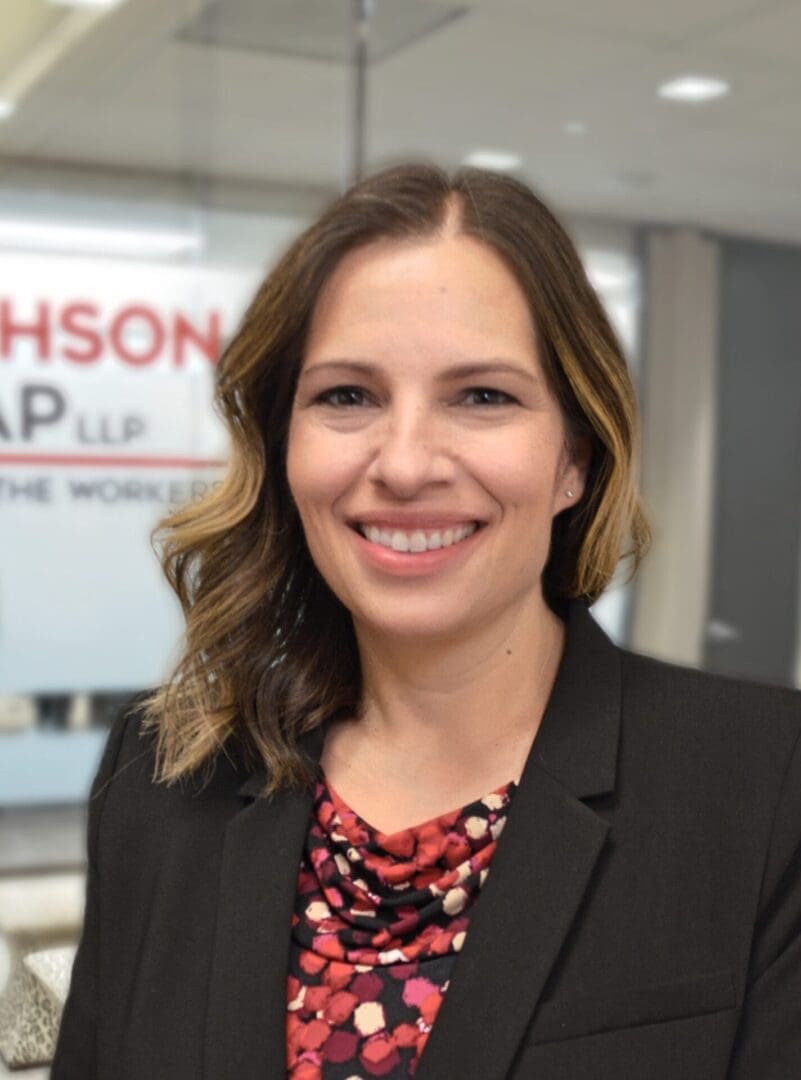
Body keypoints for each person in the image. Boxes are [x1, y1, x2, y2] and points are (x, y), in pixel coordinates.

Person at [52, 163, 801, 1080]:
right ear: (282, 445)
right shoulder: (161, 774)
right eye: (347, 396)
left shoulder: (766, 789)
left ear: (575, 456)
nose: (405, 464)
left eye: (482, 396)